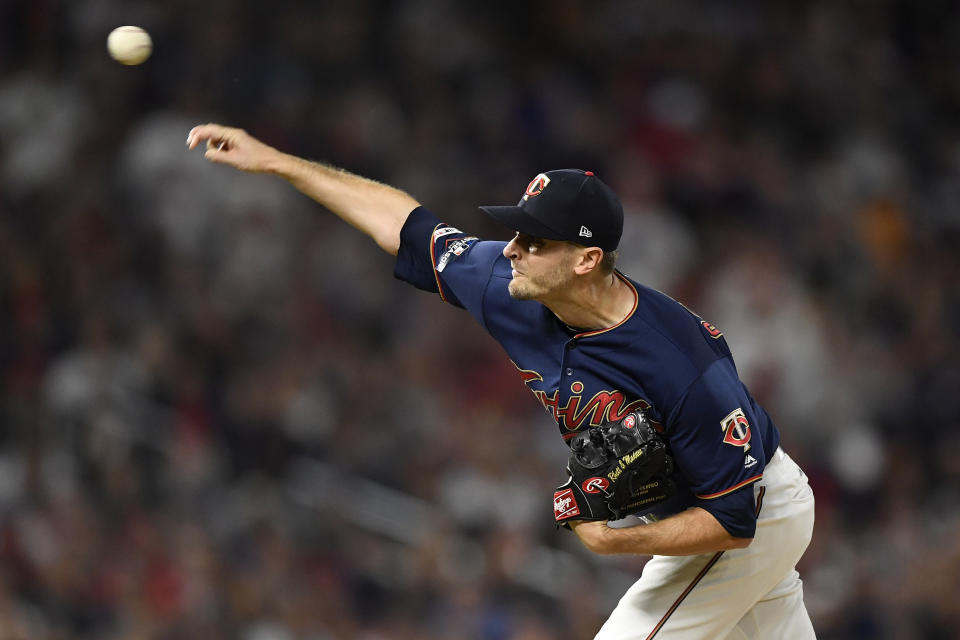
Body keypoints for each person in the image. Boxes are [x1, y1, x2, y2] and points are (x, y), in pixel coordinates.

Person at [186, 123, 817, 639]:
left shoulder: (682, 365)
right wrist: (278, 162)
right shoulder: (504, 284)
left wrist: (615, 540)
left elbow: (735, 521)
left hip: (750, 506)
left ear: (587, 259)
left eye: (533, 239)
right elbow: (404, 224)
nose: (511, 247)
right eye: (515, 230)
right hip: (716, 506)